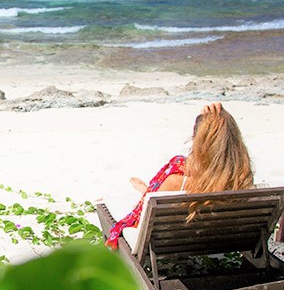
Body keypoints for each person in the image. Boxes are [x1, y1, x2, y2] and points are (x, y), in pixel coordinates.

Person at [105, 102, 254, 249]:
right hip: (226, 240)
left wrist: (146, 192)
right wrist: (221, 120)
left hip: (172, 243)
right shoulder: (242, 179)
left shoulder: (177, 183)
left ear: (198, 143)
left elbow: (145, 217)